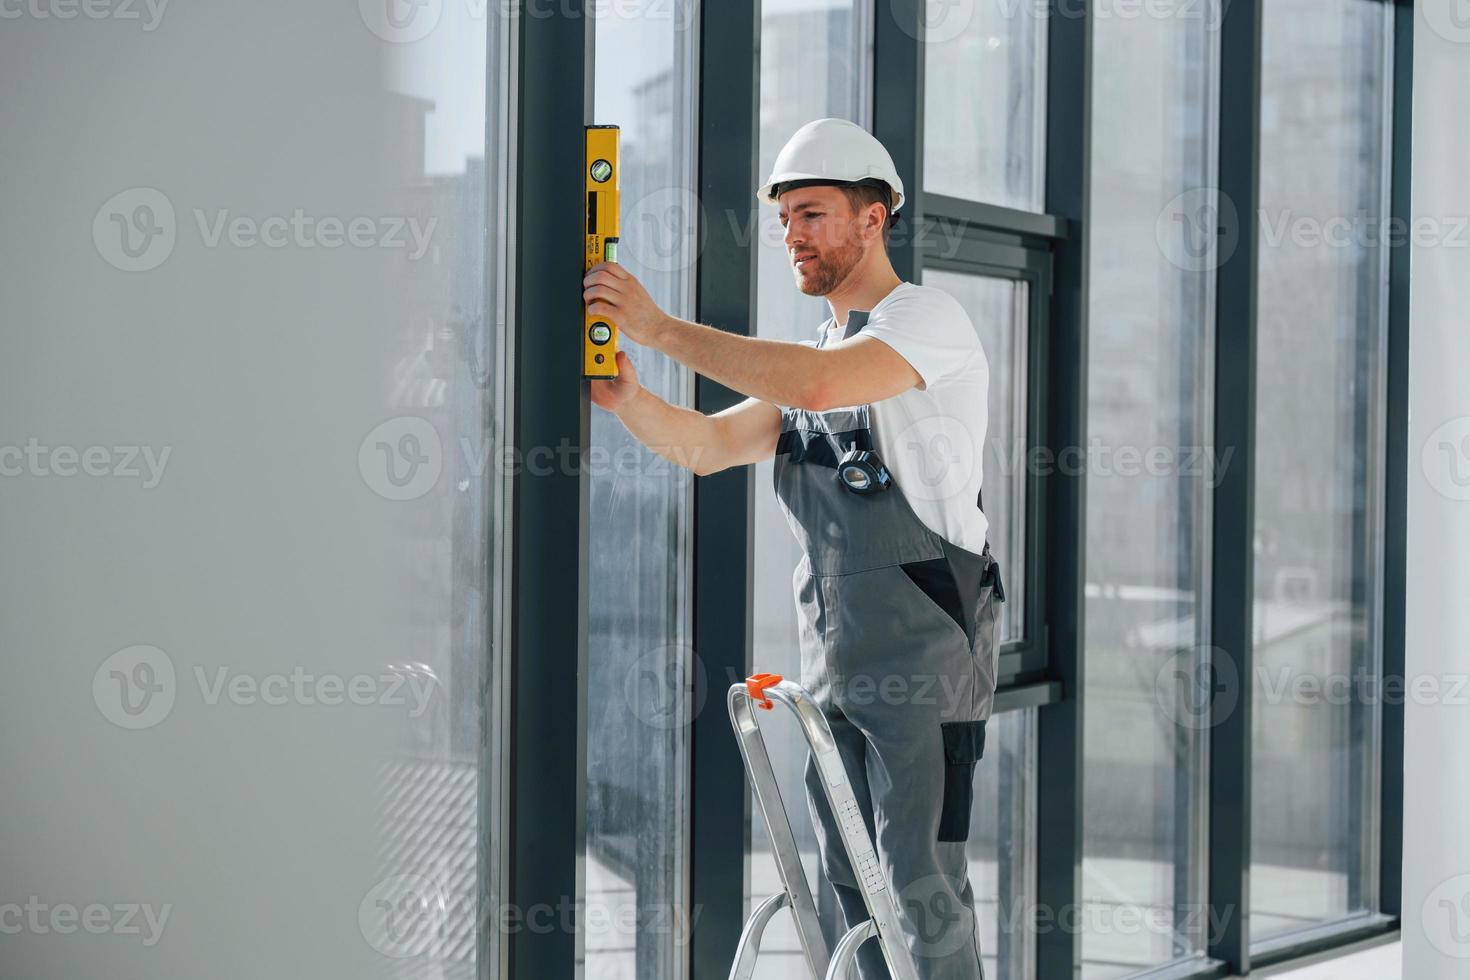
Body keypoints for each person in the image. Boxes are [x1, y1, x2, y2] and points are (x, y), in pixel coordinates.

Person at [583, 117, 1004, 980]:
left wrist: (659, 328)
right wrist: (631, 399)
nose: (791, 236)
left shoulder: (925, 321)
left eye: (810, 213)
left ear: (873, 218)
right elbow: (703, 445)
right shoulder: (817, 355)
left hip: (927, 665)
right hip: (837, 667)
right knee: (849, 884)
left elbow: (818, 386)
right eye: (783, 219)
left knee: (923, 886)